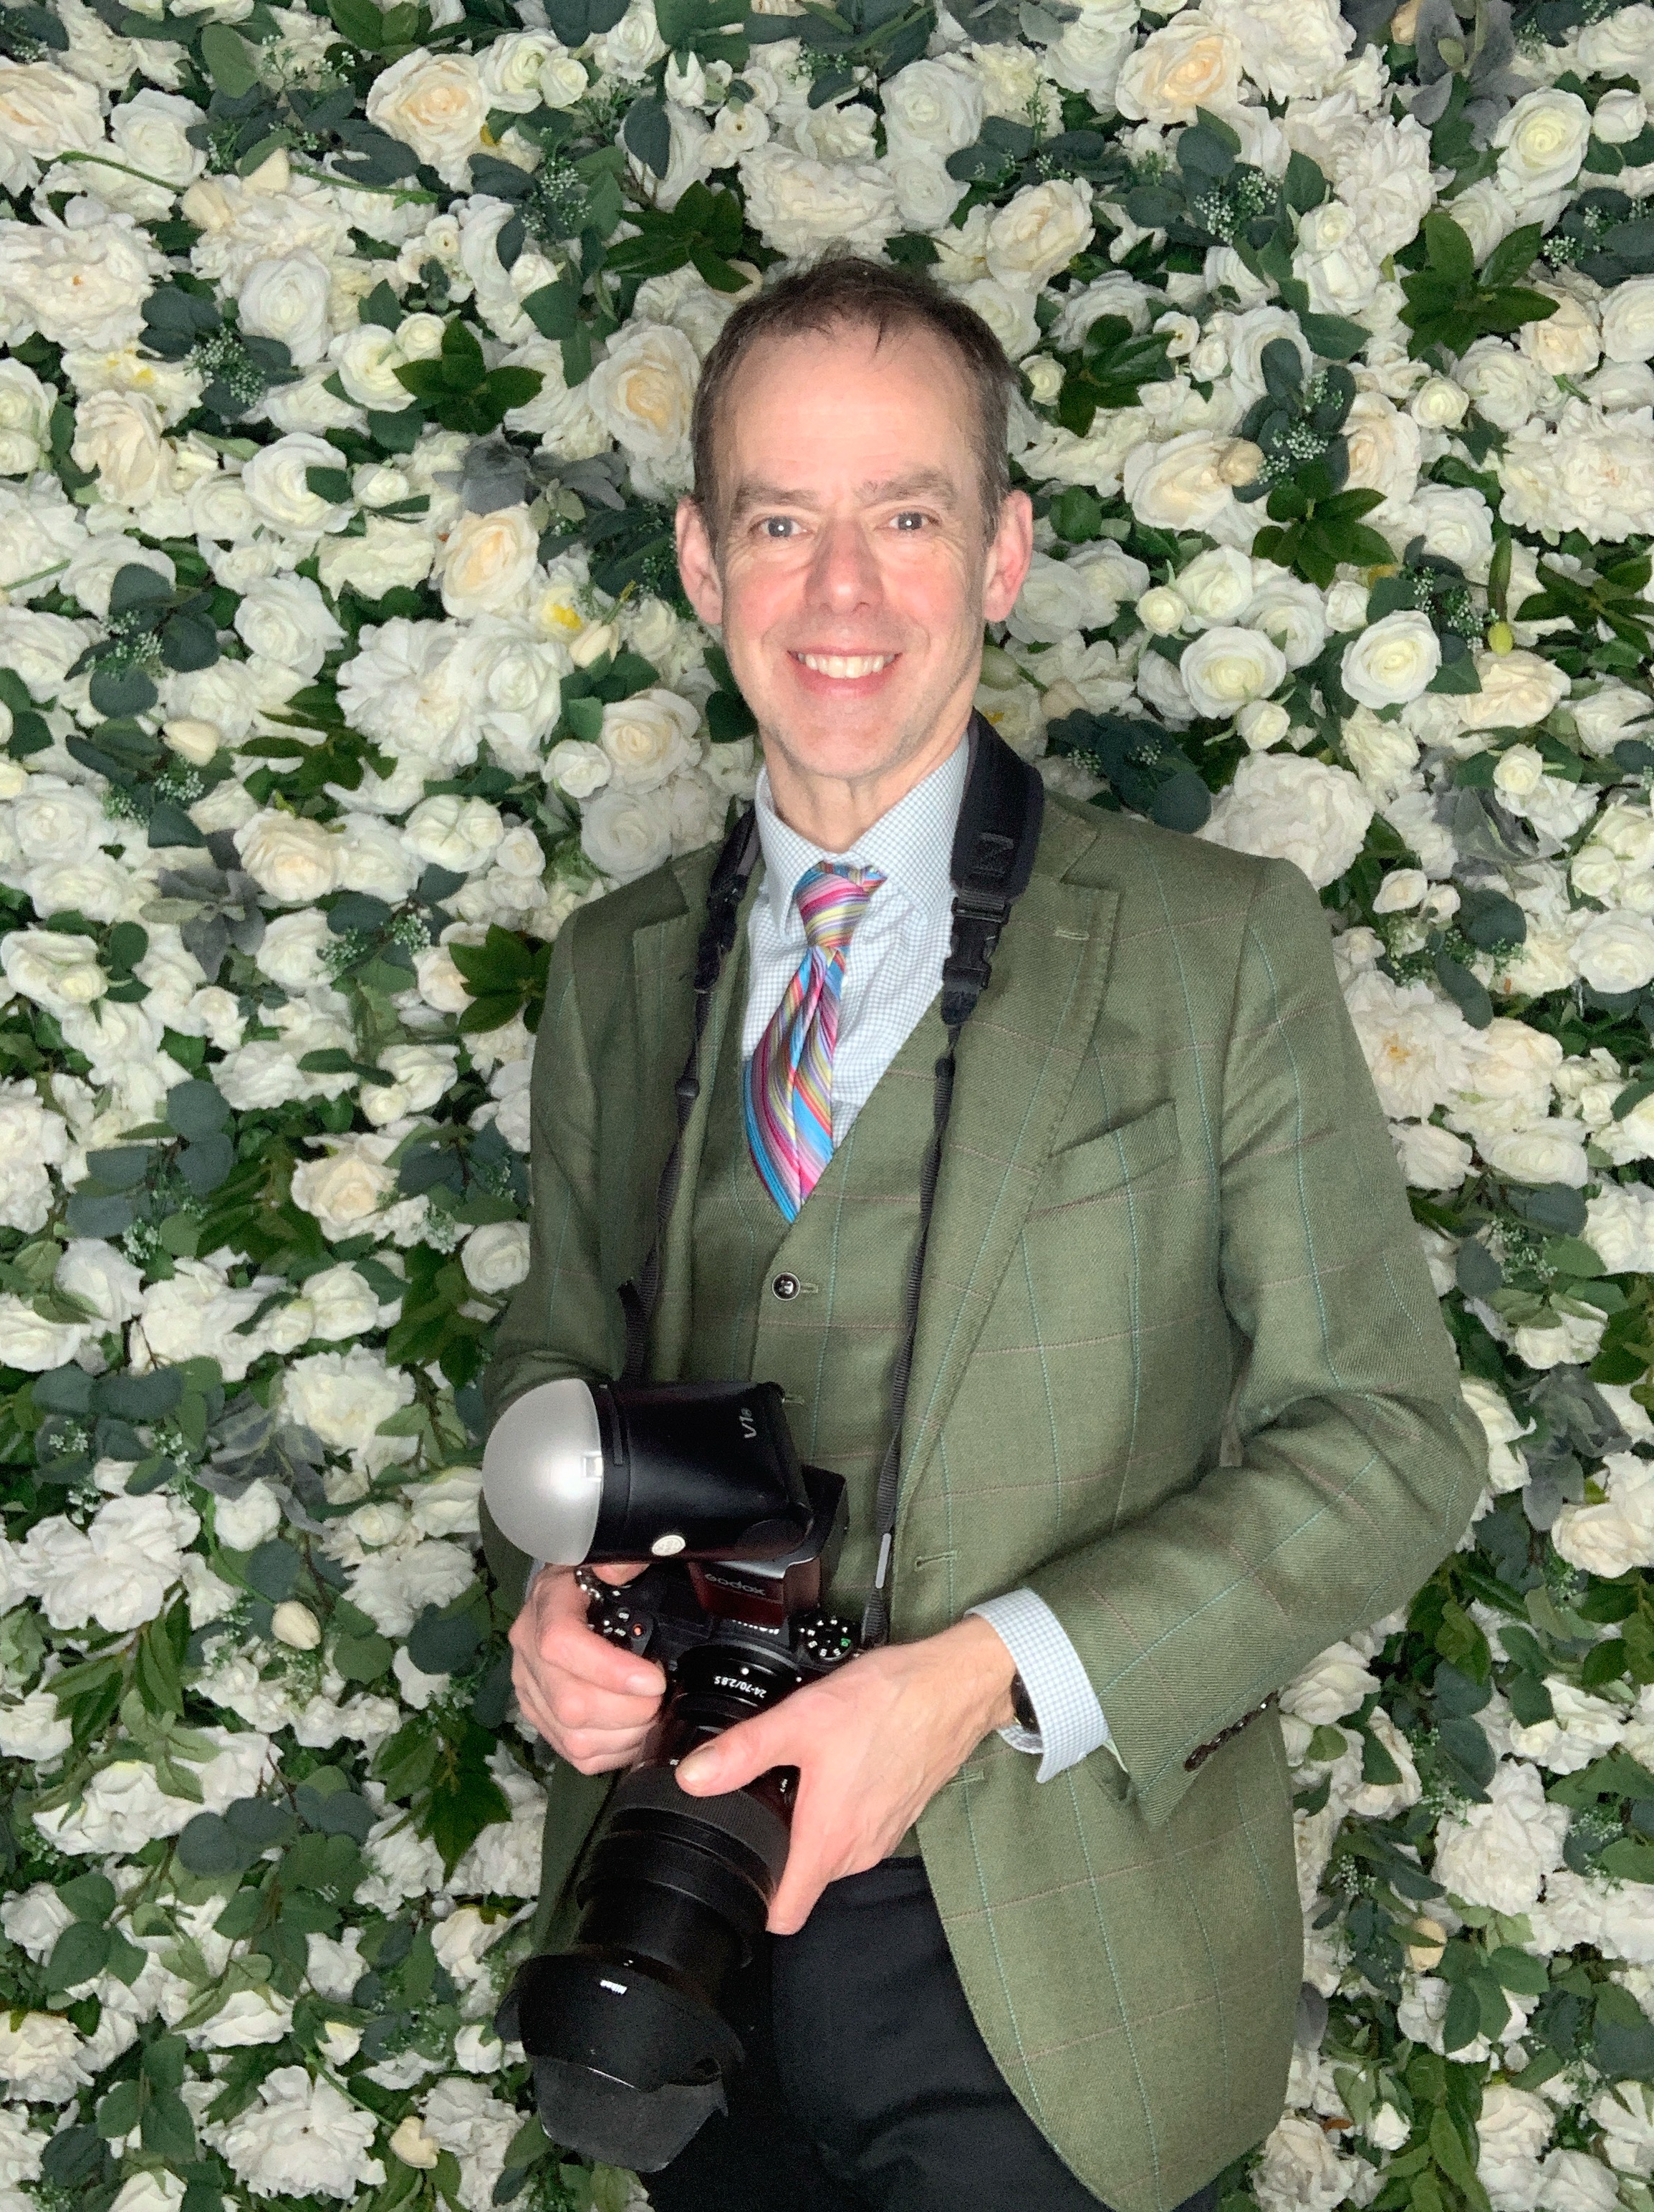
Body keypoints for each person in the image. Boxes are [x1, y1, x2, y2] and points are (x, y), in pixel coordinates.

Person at [480, 254, 1488, 2212]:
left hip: (1063, 1985)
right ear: (701, 561)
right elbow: (552, 1367)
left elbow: (1390, 1441)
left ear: (1004, 553)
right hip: (672, 1931)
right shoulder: (610, 972)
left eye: (905, 516)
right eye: (781, 519)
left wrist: (976, 1676)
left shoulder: (1215, 950)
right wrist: (552, 1611)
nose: (838, 590)